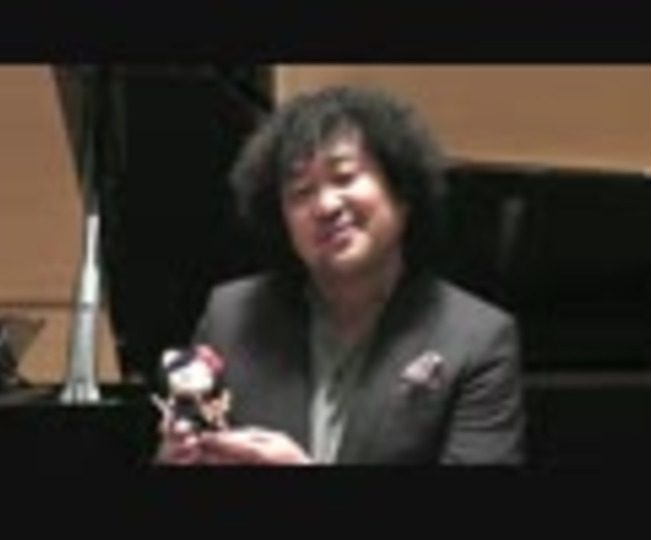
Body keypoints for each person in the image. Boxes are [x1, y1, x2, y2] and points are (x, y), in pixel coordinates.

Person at [154, 86, 524, 465]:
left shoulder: (477, 339)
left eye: (344, 177)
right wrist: (177, 456)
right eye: (301, 192)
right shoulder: (231, 314)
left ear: (402, 191)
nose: (325, 205)